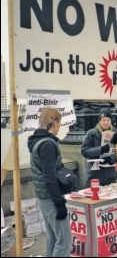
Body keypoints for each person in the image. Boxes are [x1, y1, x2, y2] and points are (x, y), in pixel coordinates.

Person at [27, 108, 72, 257]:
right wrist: (59, 203)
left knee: (52, 238)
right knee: (65, 242)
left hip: (43, 196)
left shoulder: (37, 141)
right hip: (51, 198)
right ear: (54, 122)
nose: (60, 127)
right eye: (60, 122)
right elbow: (50, 177)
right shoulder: (48, 145)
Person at [81, 108, 117, 188]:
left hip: (110, 173)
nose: (106, 123)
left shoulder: (116, 133)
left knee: (110, 197)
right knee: (92, 197)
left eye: (108, 120)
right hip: (94, 173)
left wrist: (111, 159)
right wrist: (101, 149)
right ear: (99, 121)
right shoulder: (91, 134)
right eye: (103, 120)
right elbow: (84, 151)